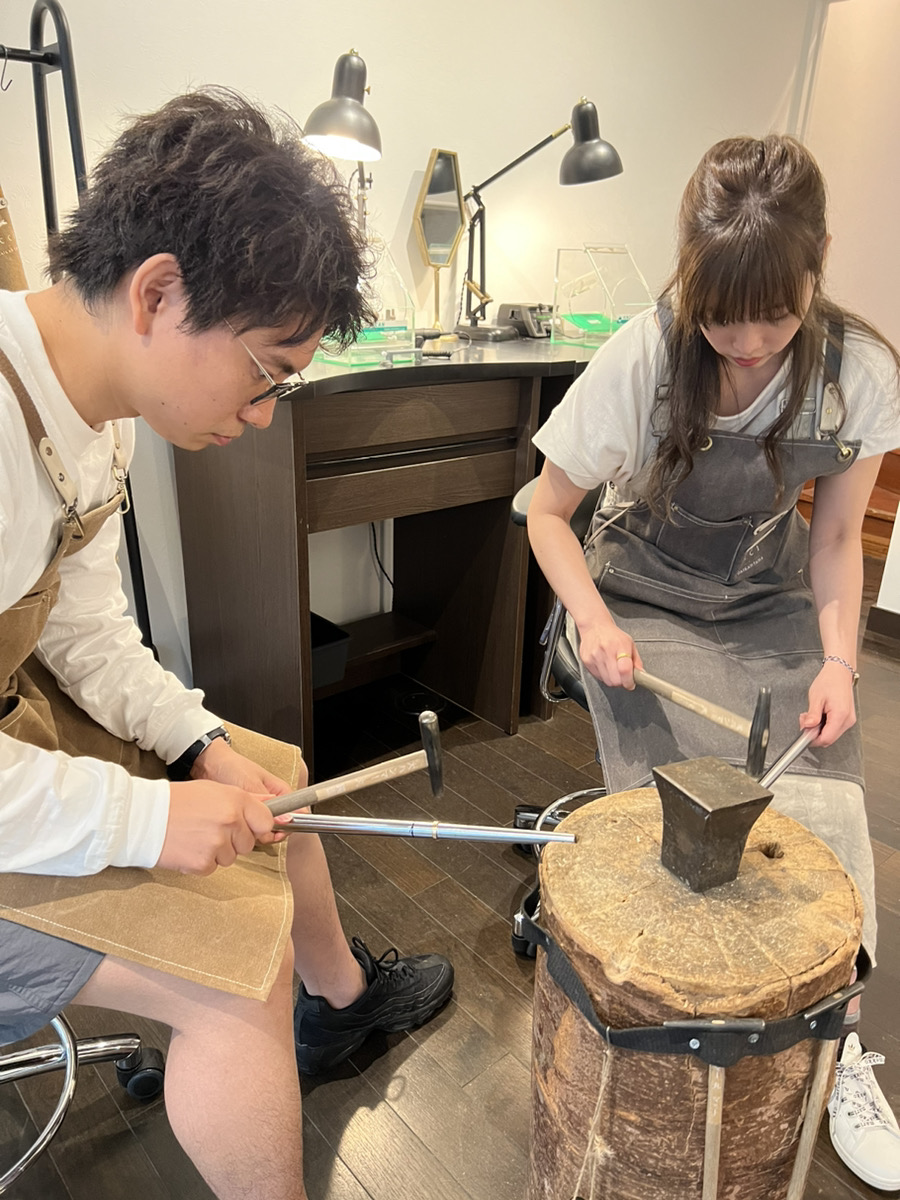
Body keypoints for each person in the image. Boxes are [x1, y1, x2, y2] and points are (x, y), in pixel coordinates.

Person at [0, 88, 452, 1200]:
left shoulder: (92, 415)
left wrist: (198, 745)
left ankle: (341, 1006)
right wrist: (147, 817)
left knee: (276, 782)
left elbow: (88, 634)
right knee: (233, 977)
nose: (262, 415)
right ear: (157, 292)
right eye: (266, 372)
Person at [527, 135, 900, 1191]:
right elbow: (546, 515)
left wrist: (839, 664)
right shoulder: (643, 356)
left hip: (769, 598)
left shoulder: (859, 373)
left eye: (773, 316)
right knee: (682, 811)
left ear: (817, 265)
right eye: (720, 316)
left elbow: (838, 539)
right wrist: (594, 622)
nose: (744, 344)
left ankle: (836, 1048)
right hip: (640, 600)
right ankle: (681, 1035)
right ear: (690, 276)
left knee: (823, 810)